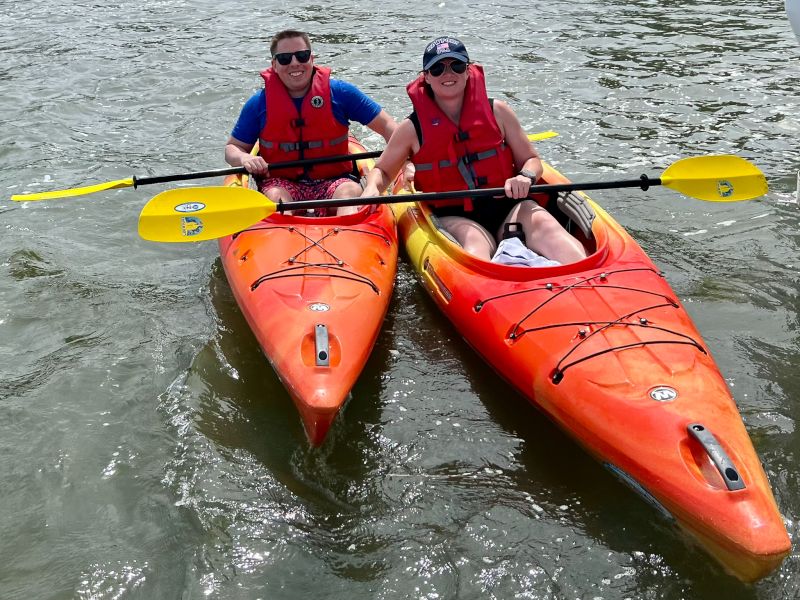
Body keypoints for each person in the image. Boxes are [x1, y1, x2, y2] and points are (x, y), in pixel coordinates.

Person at [361, 37, 587, 263]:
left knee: (546, 225)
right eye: (438, 68)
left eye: (456, 66)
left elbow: (531, 160)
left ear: (468, 71)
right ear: (426, 77)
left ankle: (584, 274)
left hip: (508, 207)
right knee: (475, 243)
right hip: (455, 215)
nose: (448, 74)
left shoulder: (498, 111)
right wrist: (372, 188)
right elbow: (383, 171)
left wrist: (526, 176)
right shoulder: (411, 129)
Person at [225, 30, 397, 215]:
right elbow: (232, 149)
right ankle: (281, 234)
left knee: (350, 193)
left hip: (335, 180)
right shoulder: (259, 103)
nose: (294, 63)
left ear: (312, 58)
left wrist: (390, 171)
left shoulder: (340, 93)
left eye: (302, 55)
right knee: (275, 197)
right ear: (274, 64)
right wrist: (245, 158)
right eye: (284, 58)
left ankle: (350, 233)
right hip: (281, 182)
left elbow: (391, 129)